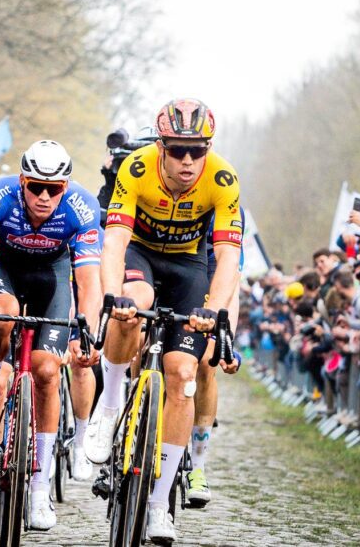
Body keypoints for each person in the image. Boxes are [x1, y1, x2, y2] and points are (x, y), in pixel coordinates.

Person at [84, 98, 242, 545]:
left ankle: (158, 504)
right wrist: (113, 294)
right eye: (177, 150)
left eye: (198, 150)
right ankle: (111, 400)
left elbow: (229, 255)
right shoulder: (135, 169)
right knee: (135, 302)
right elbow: (113, 241)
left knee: (183, 373)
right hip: (141, 253)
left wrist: (217, 308)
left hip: (189, 266)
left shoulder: (223, 178)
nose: (188, 160)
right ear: (162, 147)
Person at [0, 140, 103, 531]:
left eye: (53, 189)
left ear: (66, 187)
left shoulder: (83, 207)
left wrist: (87, 329)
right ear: (21, 181)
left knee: (47, 371)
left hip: (51, 278)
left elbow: (89, 282)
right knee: (0, 316)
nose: (43, 196)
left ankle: (40, 488)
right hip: (5, 268)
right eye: (35, 186)